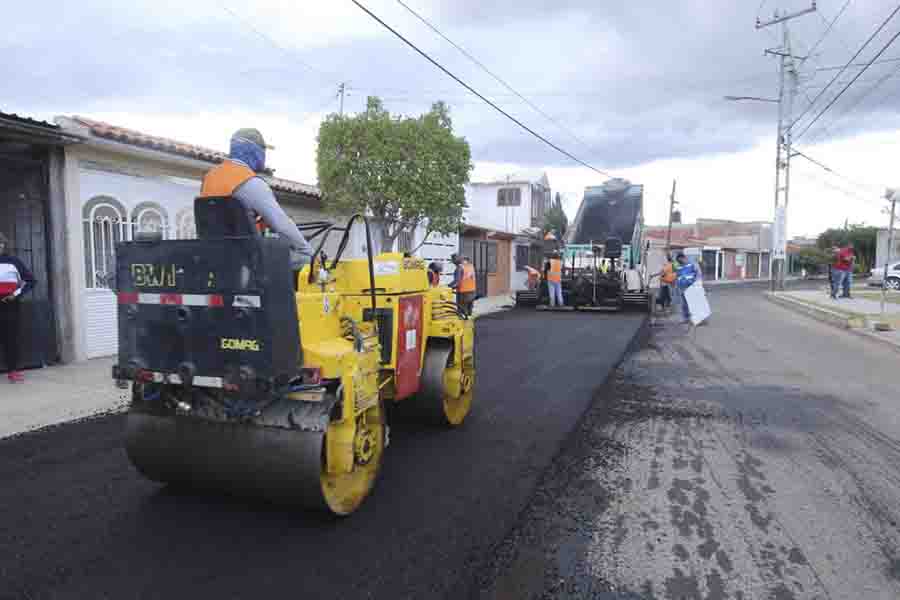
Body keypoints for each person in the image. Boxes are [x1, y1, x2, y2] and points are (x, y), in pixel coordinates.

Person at [199, 128, 313, 269]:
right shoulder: (251, 182)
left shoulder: (209, 178)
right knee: (307, 261)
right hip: (249, 258)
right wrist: (310, 253)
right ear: (254, 151)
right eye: (263, 151)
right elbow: (283, 225)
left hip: (215, 254)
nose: (265, 157)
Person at [0, 233, 35, 383]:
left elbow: (30, 281)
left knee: (11, 338)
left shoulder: (14, 262)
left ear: (4, 244)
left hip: (9, 304)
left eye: (0, 243)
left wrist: (15, 295)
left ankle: (13, 371)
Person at [674, 252, 699, 323]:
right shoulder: (679, 267)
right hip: (682, 287)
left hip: (690, 286)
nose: (679, 261)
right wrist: (677, 286)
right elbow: (678, 277)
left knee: (692, 303)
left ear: (684, 258)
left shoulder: (691, 265)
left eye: (680, 260)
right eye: (678, 260)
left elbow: (697, 274)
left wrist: (696, 284)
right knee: (684, 304)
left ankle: (695, 318)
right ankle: (686, 318)